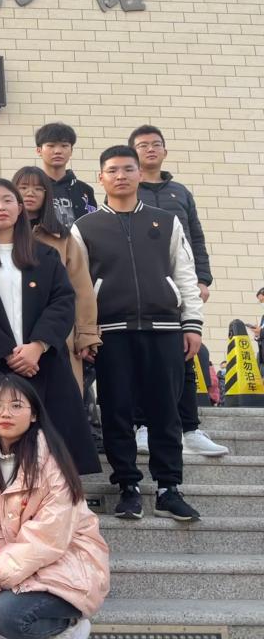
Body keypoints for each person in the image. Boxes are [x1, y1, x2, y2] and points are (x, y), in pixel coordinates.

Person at [72, 146, 205, 522]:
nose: (121, 176)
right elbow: (77, 286)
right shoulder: (84, 227)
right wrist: (85, 332)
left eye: (128, 169)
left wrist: (192, 324)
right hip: (111, 334)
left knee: (166, 412)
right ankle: (128, 487)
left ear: (139, 174)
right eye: (112, 170)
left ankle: (168, 488)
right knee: (116, 412)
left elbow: (185, 274)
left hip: (165, 330)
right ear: (100, 177)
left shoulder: (166, 221)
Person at [0, 179, 100, 476]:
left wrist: (37, 346)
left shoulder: (44, 255)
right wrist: (7, 353)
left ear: (20, 208)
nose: (0, 207)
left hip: (44, 364)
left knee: (53, 453)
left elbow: (62, 301)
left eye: (8, 200)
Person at [0, 374, 108, 639]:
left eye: (16, 405)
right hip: (15, 557)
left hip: (63, 565)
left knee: (3, 614)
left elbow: (48, 538)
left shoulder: (51, 460)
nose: (5, 413)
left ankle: (67, 625)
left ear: (34, 415)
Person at [128, 125, 226, 457]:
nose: (150, 149)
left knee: (186, 352)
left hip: (181, 285)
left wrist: (202, 279)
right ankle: (142, 425)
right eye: (143, 145)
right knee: (141, 355)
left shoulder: (180, 193)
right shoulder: (128, 190)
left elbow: (196, 238)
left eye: (156, 144)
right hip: (141, 286)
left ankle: (190, 428)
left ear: (165, 151)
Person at [12, 167, 100, 392]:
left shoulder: (62, 237)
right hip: (14, 335)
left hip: (58, 331)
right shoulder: (1, 235)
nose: (30, 193)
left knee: (61, 397)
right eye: (23, 187)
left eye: (38, 188)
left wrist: (86, 334)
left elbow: (81, 287)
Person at [34, 122, 96, 227]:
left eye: (64, 146)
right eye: (51, 146)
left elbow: (92, 226)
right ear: (39, 150)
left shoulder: (85, 190)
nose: (58, 151)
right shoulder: (32, 188)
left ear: (71, 151)